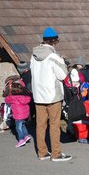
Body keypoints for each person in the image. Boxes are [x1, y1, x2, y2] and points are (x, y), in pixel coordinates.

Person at [30, 27, 71, 161]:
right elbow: (62, 74)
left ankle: (42, 152)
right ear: (54, 41)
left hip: (38, 95)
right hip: (53, 95)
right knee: (54, 125)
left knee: (40, 125)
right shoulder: (54, 57)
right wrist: (63, 63)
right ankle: (56, 153)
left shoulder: (34, 55)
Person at [4, 82, 32, 148]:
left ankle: (21, 139)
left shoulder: (13, 98)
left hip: (18, 115)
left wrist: (9, 93)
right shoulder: (25, 97)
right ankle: (26, 135)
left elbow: (6, 100)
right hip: (25, 114)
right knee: (23, 125)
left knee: (18, 128)